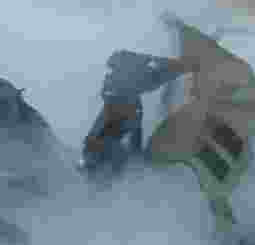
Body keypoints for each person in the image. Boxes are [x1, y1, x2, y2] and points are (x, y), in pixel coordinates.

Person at [80, 50, 197, 185]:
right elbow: (158, 74)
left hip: (123, 114)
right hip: (123, 113)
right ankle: (111, 165)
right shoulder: (127, 74)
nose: (112, 69)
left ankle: (112, 167)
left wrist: (183, 66)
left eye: (114, 66)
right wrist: (182, 66)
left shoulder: (129, 74)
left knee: (107, 139)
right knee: (108, 138)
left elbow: (158, 74)